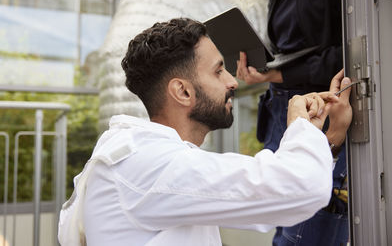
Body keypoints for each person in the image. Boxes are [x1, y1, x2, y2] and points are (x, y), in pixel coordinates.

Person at [58, 18, 351, 246]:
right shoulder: (148, 165)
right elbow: (299, 189)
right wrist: (299, 122)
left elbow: (278, 196)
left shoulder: (143, 160)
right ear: (182, 91)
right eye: (218, 71)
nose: (233, 82)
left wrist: (328, 140)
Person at [235, 0, 349, 245]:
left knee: (306, 223)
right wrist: (263, 66)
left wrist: (280, 72)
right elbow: (293, 48)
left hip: (319, 110)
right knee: (283, 212)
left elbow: (351, 53)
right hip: (282, 109)